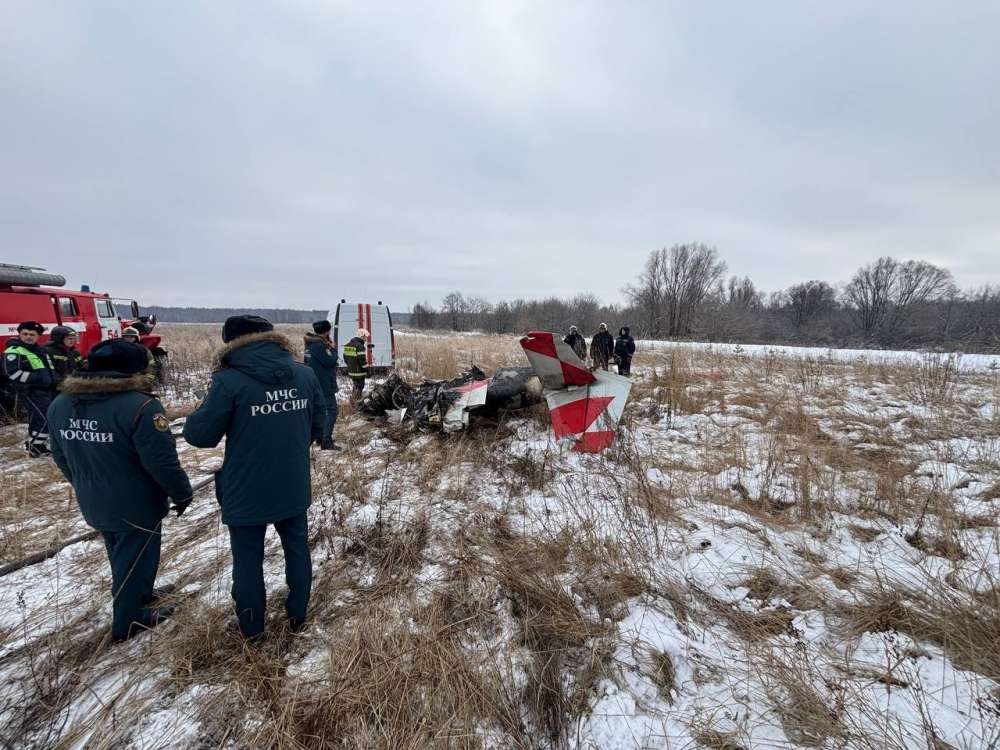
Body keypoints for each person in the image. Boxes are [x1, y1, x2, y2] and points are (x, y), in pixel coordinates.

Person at [183, 315, 325, 639]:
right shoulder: (304, 373)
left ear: (231, 343)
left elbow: (200, 435)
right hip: (292, 480)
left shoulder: (228, 381)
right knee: (297, 549)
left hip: (246, 487)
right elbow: (319, 422)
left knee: (247, 560)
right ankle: (298, 615)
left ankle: (251, 629)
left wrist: (200, 411)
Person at [47, 339, 193, 642]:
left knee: (122, 551)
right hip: (136, 500)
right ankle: (129, 619)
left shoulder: (61, 403)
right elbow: (162, 462)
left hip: (92, 497)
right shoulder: (141, 406)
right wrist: (181, 492)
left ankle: (139, 592)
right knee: (134, 551)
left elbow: (59, 454)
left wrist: (84, 484)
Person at [3, 321, 56, 457]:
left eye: (32, 334)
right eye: (25, 334)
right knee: (44, 417)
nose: (28, 337)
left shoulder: (39, 351)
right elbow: (13, 373)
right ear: (19, 334)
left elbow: (50, 369)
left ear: (38, 336)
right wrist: (38, 378)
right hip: (30, 391)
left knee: (38, 418)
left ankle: (35, 445)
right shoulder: (14, 351)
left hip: (45, 390)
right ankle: (37, 448)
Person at [303, 320, 340, 450]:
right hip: (323, 384)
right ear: (327, 331)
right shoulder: (320, 345)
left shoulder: (309, 344)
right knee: (332, 411)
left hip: (314, 382)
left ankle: (320, 437)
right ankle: (326, 440)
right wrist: (333, 349)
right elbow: (331, 360)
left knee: (320, 411)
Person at [343, 328, 369, 401]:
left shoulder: (347, 345)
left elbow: (345, 358)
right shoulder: (360, 346)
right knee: (359, 388)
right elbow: (362, 361)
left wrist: (351, 366)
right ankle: (357, 403)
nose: (366, 338)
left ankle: (354, 402)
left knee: (355, 387)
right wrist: (367, 370)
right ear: (362, 336)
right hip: (359, 372)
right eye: (365, 337)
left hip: (351, 371)